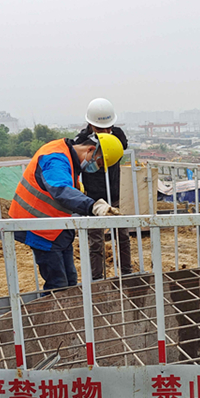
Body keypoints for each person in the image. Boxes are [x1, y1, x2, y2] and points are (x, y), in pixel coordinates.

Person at [9, 132, 124, 291]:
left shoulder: (67, 157)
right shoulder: (56, 157)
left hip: (55, 227)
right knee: (58, 284)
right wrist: (93, 206)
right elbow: (60, 189)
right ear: (90, 150)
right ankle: (52, 315)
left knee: (70, 279)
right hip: (39, 226)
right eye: (98, 163)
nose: (95, 168)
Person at [72, 98, 132, 280]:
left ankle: (127, 274)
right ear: (90, 124)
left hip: (113, 195)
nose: (105, 132)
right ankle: (97, 278)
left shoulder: (118, 134)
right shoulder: (82, 140)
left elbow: (123, 145)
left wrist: (108, 139)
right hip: (93, 200)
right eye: (100, 129)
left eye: (108, 127)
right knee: (96, 241)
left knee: (122, 235)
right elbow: (77, 154)